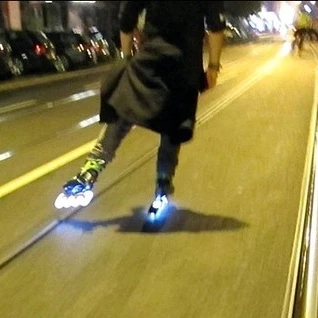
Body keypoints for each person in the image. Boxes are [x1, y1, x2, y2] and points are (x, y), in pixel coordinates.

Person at [55, 1, 226, 220]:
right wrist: (213, 66)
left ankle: (90, 170)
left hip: (150, 60)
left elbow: (127, 20)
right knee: (173, 125)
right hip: (184, 66)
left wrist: (127, 56)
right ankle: (163, 186)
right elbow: (215, 27)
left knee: (124, 109)